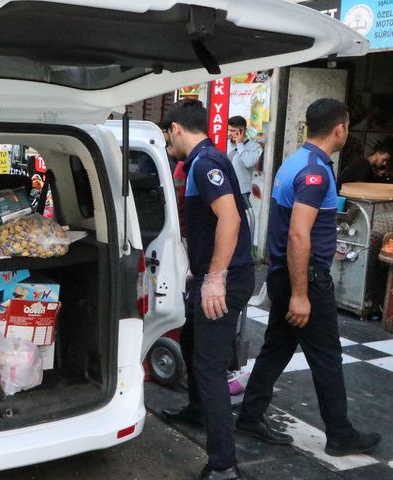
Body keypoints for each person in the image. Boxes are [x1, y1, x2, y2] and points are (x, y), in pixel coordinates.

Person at [236, 99, 381, 457]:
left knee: (277, 348)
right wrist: (301, 294)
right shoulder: (315, 172)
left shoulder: (296, 161)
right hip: (305, 281)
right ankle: (340, 434)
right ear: (340, 128)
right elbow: (298, 235)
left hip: (287, 275)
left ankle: (250, 415)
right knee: (327, 356)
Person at [160, 100, 255, 480]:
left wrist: (215, 278)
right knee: (190, 339)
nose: (169, 145)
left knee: (210, 368)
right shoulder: (205, 159)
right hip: (213, 274)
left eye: (168, 136)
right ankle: (198, 409)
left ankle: (223, 465)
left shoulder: (205, 163)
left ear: (177, 129)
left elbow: (230, 218)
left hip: (226, 279)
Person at [226, 116, 262, 211]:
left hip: (242, 192)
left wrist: (240, 144)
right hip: (226, 191)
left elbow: (248, 162)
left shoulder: (254, 146)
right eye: (229, 130)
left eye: (233, 131)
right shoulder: (227, 144)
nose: (230, 133)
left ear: (242, 131)